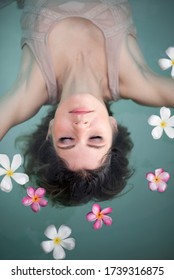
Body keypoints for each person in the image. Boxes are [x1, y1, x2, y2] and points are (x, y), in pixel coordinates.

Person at [0, 0, 174, 206]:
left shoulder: (30, 92)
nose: (81, 127)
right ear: (112, 127)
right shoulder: (137, 83)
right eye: (96, 138)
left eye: (66, 140)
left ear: (50, 131)